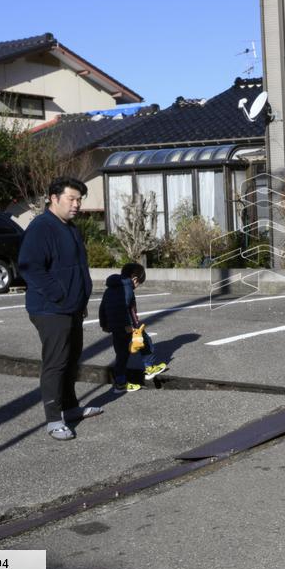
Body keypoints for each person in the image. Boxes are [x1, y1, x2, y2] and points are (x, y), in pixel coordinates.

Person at [18, 177, 99, 441]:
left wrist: (79, 300)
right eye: (71, 199)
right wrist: (60, 295)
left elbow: (77, 268)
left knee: (72, 359)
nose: (76, 205)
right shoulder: (42, 227)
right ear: (54, 198)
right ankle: (54, 420)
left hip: (72, 307)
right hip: (50, 309)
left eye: (79, 200)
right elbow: (31, 267)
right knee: (56, 363)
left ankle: (71, 408)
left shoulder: (70, 227)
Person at [98, 262, 168, 393]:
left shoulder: (109, 289)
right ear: (134, 279)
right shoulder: (127, 289)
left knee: (121, 355)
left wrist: (104, 324)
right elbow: (122, 309)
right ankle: (149, 368)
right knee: (145, 342)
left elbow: (102, 308)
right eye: (138, 283)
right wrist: (128, 326)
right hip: (127, 326)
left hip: (115, 327)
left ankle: (120, 384)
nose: (137, 286)